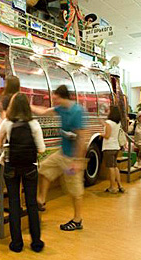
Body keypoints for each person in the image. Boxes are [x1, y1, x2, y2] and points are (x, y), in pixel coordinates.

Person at [31, 85, 87, 231]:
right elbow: (42, 112)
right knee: (44, 168)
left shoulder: (77, 112)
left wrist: (78, 161)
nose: (53, 100)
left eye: (55, 98)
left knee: (75, 190)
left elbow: (82, 138)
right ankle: (41, 200)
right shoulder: (60, 109)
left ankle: (77, 220)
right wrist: (27, 105)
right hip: (62, 154)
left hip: (72, 159)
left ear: (62, 97)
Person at [0, 93, 46, 252]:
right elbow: (41, 149)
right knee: (31, 204)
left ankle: (16, 244)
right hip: (30, 168)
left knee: (14, 203)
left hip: (11, 167)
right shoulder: (34, 125)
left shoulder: (7, 123)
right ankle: (36, 243)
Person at [101, 106, 125, 193]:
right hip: (116, 147)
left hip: (108, 147)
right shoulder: (117, 123)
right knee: (115, 167)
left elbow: (107, 136)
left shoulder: (108, 122)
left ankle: (112, 187)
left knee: (111, 168)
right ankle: (120, 186)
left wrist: (100, 134)